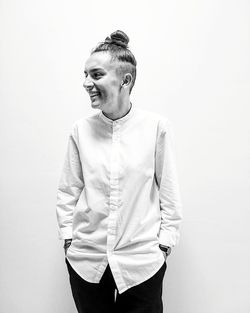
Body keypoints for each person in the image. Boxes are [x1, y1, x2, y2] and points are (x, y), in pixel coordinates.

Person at [56, 30, 182, 313]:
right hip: (87, 261)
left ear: (125, 80)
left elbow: (169, 192)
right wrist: (68, 238)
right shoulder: (80, 130)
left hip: (141, 263)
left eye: (96, 75)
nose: (87, 83)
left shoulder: (156, 128)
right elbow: (68, 190)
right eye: (85, 75)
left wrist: (164, 245)